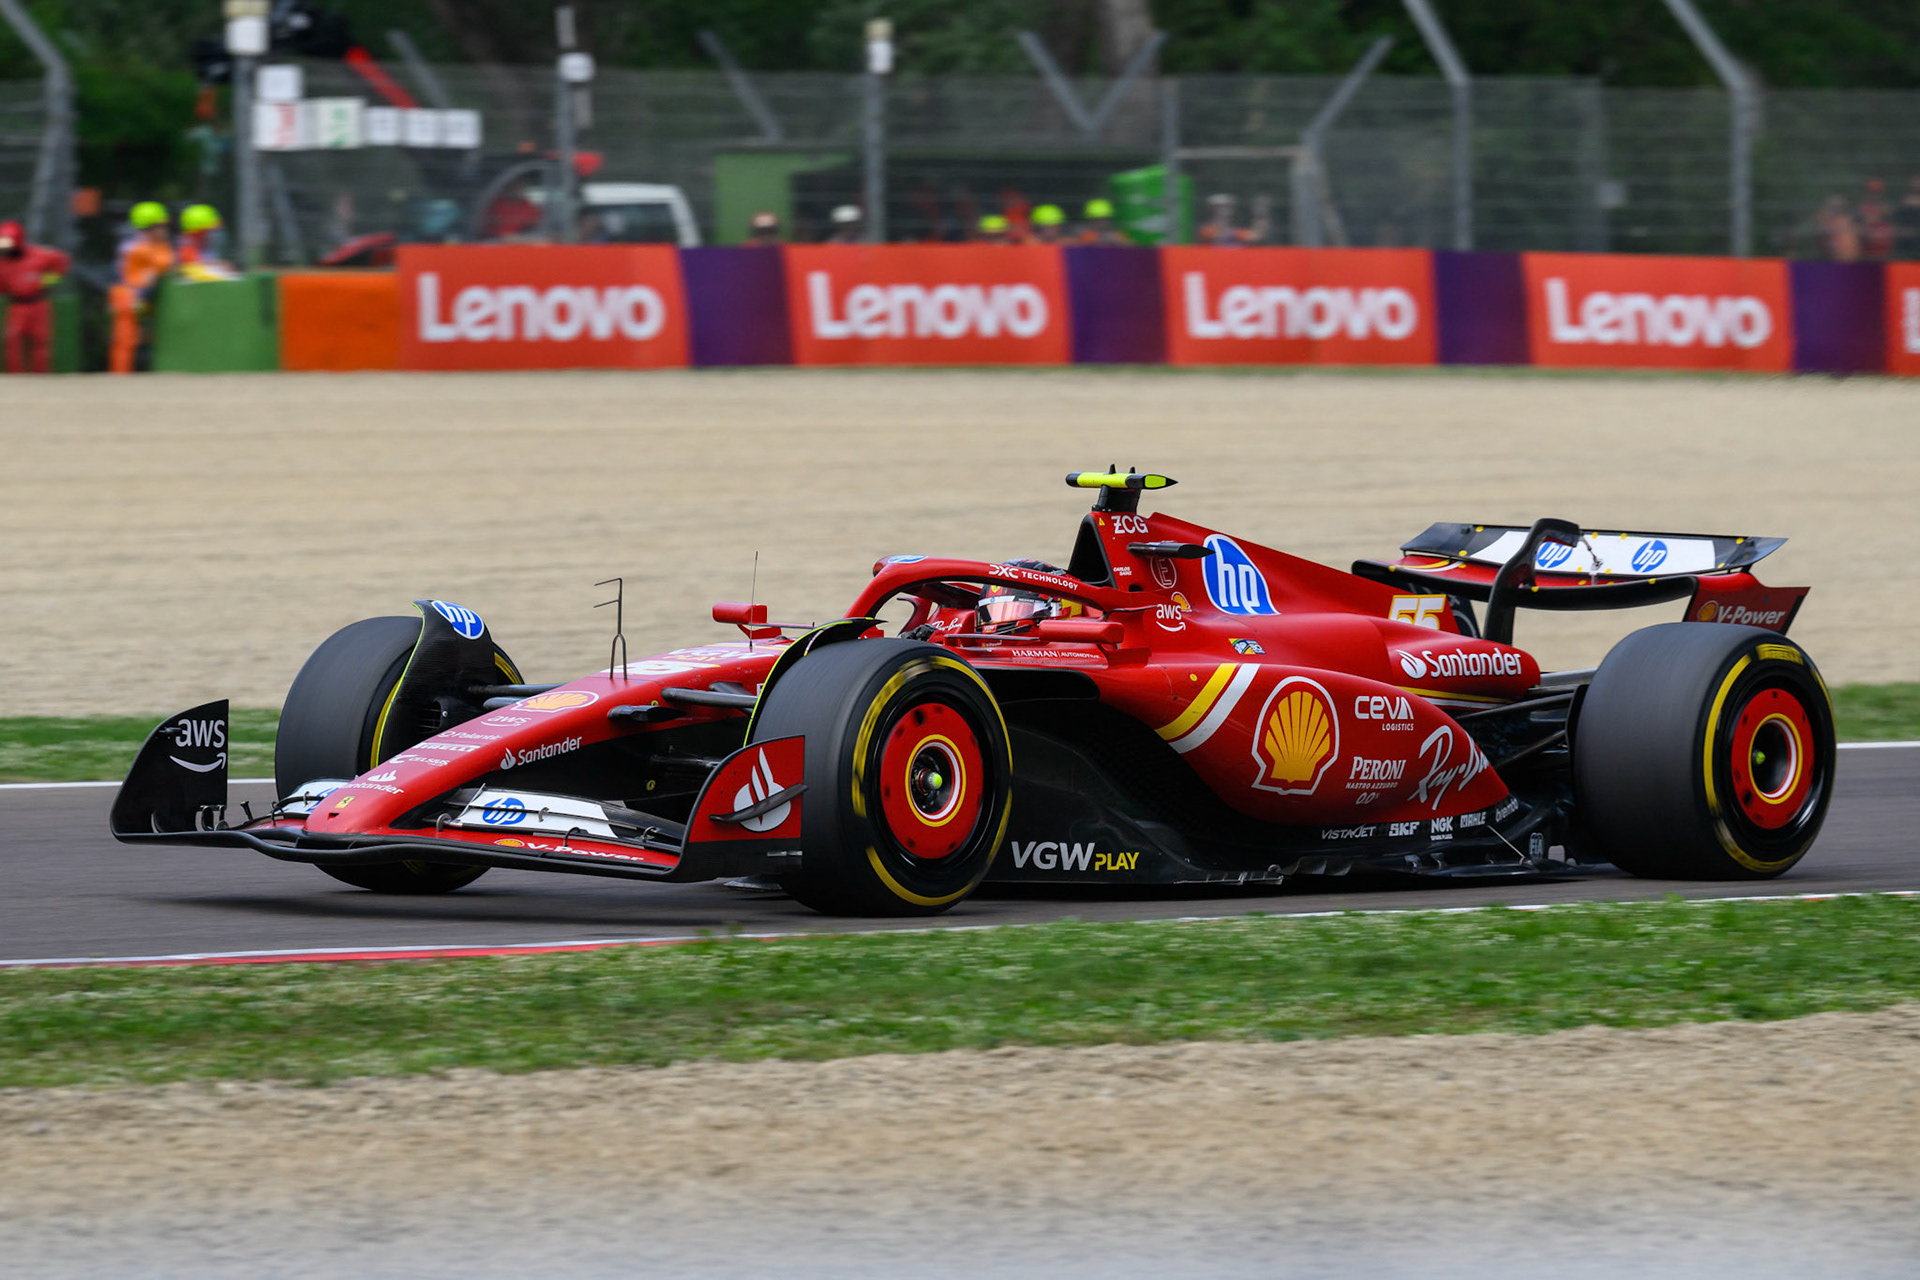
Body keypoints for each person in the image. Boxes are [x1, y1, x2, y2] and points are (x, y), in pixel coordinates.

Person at [111, 202, 174, 375]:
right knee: (126, 341)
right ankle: (120, 379)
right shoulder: (133, 247)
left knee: (155, 338)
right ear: (148, 227)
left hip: (149, 297)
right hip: (130, 296)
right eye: (160, 225)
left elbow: (166, 263)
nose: (165, 229)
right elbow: (163, 263)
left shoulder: (159, 246)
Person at [0, 219, 70, 374]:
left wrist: (47, 280)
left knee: (41, 342)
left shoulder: (39, 255)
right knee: (13, 342)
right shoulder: (3, 264)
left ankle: (41, 378)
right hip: (17, 306)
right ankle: (15, 378)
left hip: (38, 305)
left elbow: (62, 261)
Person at [175, 204, 237, 280]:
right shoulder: (185, 246)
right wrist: (220, 265)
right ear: (197, 232)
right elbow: (191, 267)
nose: (213, 234)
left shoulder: (206, 246)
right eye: (208, 230)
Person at [1860, 179, 1895, 261]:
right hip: (1866, 254)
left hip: (1884, 253)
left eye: (1877, 192)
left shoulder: (1887, 210)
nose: (1874, 195)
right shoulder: (1861, 209)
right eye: (1872, 192)